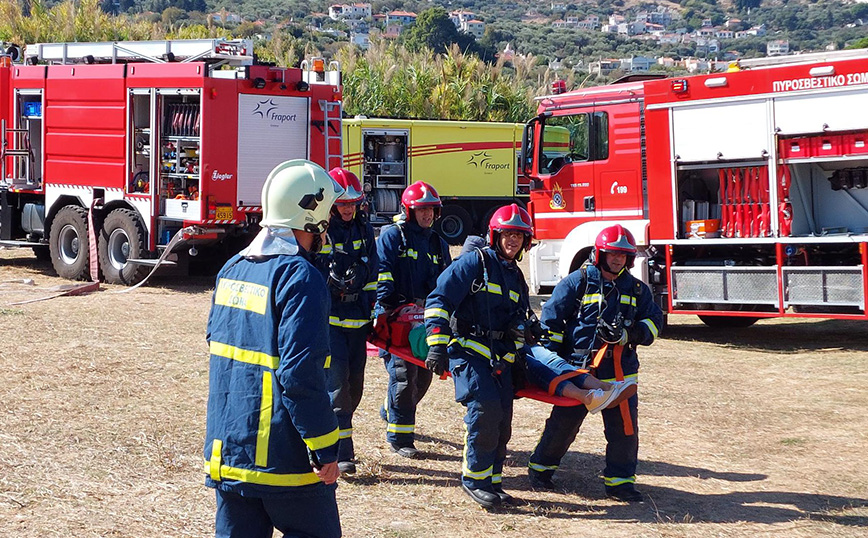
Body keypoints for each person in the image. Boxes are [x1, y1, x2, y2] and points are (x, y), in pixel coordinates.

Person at [424, 205, 634, 509]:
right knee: (485, 413)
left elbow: (520, 314)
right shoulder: (474, 263)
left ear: (526, 242)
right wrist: (437, 344)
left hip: (502, 357)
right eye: (508, 234)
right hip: (470, 352)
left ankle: (492, 482)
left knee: (502, 423)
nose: (513, 240)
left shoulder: (514, 276)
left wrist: (530, 328)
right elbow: (439, 299)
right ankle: (475, 482)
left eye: (519, 236)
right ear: (496, 235)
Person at [204, 159, 345, 538]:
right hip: (283, 459)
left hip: (229, 455)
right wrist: (325, 448)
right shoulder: (301, 279)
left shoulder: (231, 268)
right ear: (312, 214)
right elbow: (300, 375)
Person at [527, 224, 664, 503]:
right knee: (564, 424)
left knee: (625, 427)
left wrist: (629, 334)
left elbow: (654, 323)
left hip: (621, 369)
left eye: (623, 256)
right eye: (612, 254)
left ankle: (620, 483)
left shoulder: (637, 289)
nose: (617, 260)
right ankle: (540, 471)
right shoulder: (576, 282)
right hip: (579, 367)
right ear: (600, 254)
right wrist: (555, 362)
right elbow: (550, 322)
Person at [375, 181, 451, 458]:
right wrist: (387, 308)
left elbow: (446, 282)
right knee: (403, 376)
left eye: (431, 210)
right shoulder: (393, 236)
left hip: (427, 319)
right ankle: (400, 436)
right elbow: (381, 271)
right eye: (422, 210)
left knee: (425, 376)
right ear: (409, 211)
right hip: (398, 317)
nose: (427, 215)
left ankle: (390, 409)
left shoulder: (438, 243)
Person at [316, 167, 378, 475]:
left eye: (353, 202)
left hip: (358, 321)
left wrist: (371, 303)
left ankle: (328, 433)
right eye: (343, 203)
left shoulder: (365, 229)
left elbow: (375, 271)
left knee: (355, 388)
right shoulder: (320, 229)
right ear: (331, 204)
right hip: (331, 321)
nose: (349, 208)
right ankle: (341, 454)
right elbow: (313, 268)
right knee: (337, 388)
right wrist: (331, 283)